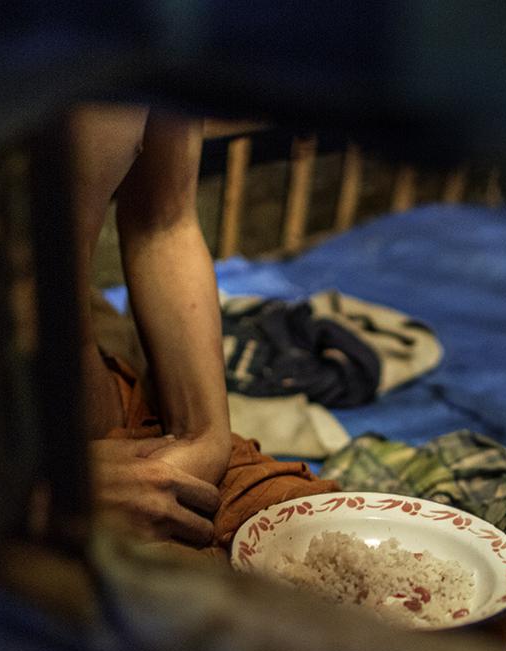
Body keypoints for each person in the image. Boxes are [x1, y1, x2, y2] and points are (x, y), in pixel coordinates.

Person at [68, 104, 335, 550]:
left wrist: (206, 440)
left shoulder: (150, 58)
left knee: (322, 542)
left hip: (112, 411)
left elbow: (164, 222)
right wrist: (35, 499)